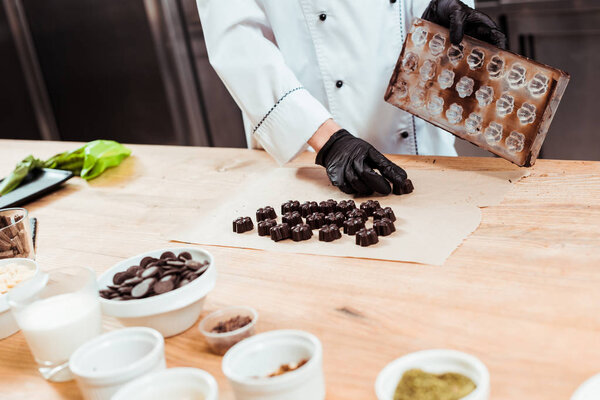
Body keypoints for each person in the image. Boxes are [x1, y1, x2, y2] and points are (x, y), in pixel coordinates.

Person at [197, 0, 506, 195]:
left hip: (426, 151)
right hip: (312, 152)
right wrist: (328, 141)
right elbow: (239, 44)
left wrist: (436, 10)